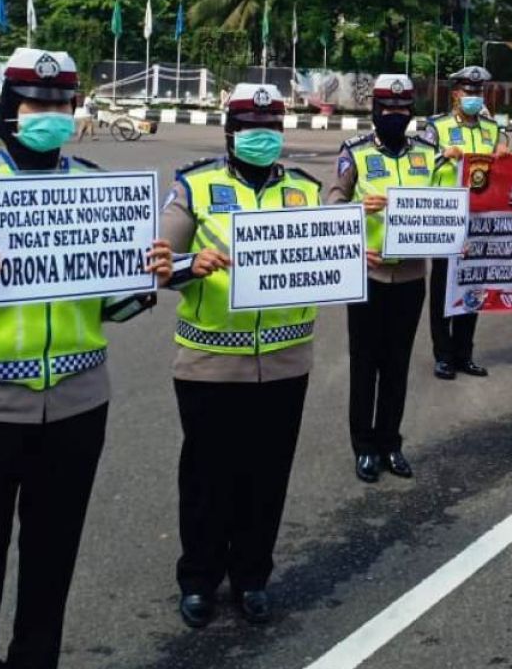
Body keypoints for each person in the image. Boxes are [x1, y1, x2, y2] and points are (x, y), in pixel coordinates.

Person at [0, 47, 171, 669]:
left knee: (53, 558)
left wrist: (142, 287)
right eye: (35, 104)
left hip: (78, 405)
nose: (49, 114)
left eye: (60, 105)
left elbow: (111, 308)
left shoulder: (95, 188)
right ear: (9, 111)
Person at [160, 83, 318, 628]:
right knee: (208, 476)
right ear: (230, 132)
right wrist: (189, 265)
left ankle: (252, 575)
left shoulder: (304, 191)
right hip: (209, 361)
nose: (261, 137)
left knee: (267, 475)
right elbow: (154, 262)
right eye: (251, 128)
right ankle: (199, 579)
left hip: (284, 360)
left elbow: (325, 254)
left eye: (271, 127)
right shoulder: (193, 188)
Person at [329, 74, 442, 483]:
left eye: (402, 109)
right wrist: (358, 210)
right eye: (387, 109)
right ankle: (364, 447)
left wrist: (454, 234)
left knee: (397, 364)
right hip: (369, 275)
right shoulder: (355, 152)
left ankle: (391, 442)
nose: (395, 115)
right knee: (365, 365)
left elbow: (448, 200)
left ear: (411, 111)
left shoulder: (430, 153)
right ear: (375, 111)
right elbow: (333, 201)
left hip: (411, 277)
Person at [423, 65, 509, 381]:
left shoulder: (492, 128)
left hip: (481, 219)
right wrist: (442, 154)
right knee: (444, 287)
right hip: (447, 218)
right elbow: (418, 165)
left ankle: (464, 353)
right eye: (467, 91)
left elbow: (505, 157)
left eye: (478, 92)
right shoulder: (437, 127)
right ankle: (443, 355)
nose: (473, 97)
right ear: (455, 93)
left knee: (473, 285)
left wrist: (504, 152)